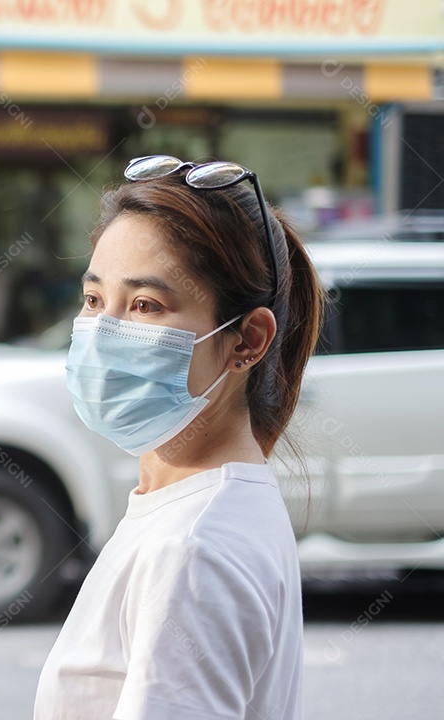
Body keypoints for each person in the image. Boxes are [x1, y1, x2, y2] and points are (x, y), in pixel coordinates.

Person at [34, 155, 325, 720]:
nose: (103, 334)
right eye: (95, 300)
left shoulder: (192, 549)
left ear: (247, 341)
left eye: (146, 305)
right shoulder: (203, 505)